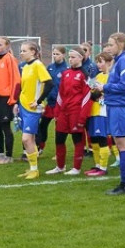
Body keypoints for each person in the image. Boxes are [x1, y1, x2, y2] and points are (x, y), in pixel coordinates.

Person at [98, 32, 125, 195]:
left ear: (120, 45)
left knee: (122, 144)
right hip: (114, 106)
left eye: (111, 44)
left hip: (121, 107)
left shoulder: (124, 61)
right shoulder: (118, 61)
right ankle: (123, 182)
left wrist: (105, 88)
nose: (108, 47)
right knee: (119, 144)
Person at [46, 48, 89, 176]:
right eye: (69, 57)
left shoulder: (84, 75)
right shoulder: (66, 73)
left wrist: (82, 118)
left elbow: (87, 98)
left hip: (76, 112)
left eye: (73, 57)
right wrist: (57, 113)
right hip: (64, 112)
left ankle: (76, 168)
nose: (70, 59)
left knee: (77, 140)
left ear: (81, 58)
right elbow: (61, 94)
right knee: (59, 139)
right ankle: (60, 166)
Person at [16, 42, 53, 180]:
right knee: (28, 139)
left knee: (26, 139)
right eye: (21, 50)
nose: (21, 53)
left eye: (24, 50)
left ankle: (34, 169)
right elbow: (23, 87)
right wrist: (16, 103)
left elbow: (50, 84)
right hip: (23, 106)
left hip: (33, 108)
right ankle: (32, 169)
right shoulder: (25, 67)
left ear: (33, 52)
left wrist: (38, 101)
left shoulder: (38, 65)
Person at [0, 36, 21, 165]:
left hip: (6, 98)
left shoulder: (10, 59)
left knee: (5, 126)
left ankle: (9, 156)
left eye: (0, 44)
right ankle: (0, 154)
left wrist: (13, 99)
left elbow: (16, 80)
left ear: (7, 46)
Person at [85, 52, 112, 177]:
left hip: (102, 112)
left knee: (102, 138)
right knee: (94, 139)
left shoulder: (111, 77)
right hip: (93, 110)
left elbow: (105, 93)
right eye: (97, 61)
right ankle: (97, 165)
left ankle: (103, 167)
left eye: (101, 61)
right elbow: (93, 92)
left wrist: (98, 93)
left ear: (108, 62)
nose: (98, 64)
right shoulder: (98, 76)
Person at [38, 46, 68, 155]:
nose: (55, 56)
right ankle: (40, 147)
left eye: (57, 54)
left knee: (58, 128)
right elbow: (45, 84)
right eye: (54, 54)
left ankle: (58, 152)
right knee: (43, 125)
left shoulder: (66, 69)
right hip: (49, 103)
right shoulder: (50, 67)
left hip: (59, 104)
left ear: (63, 55)